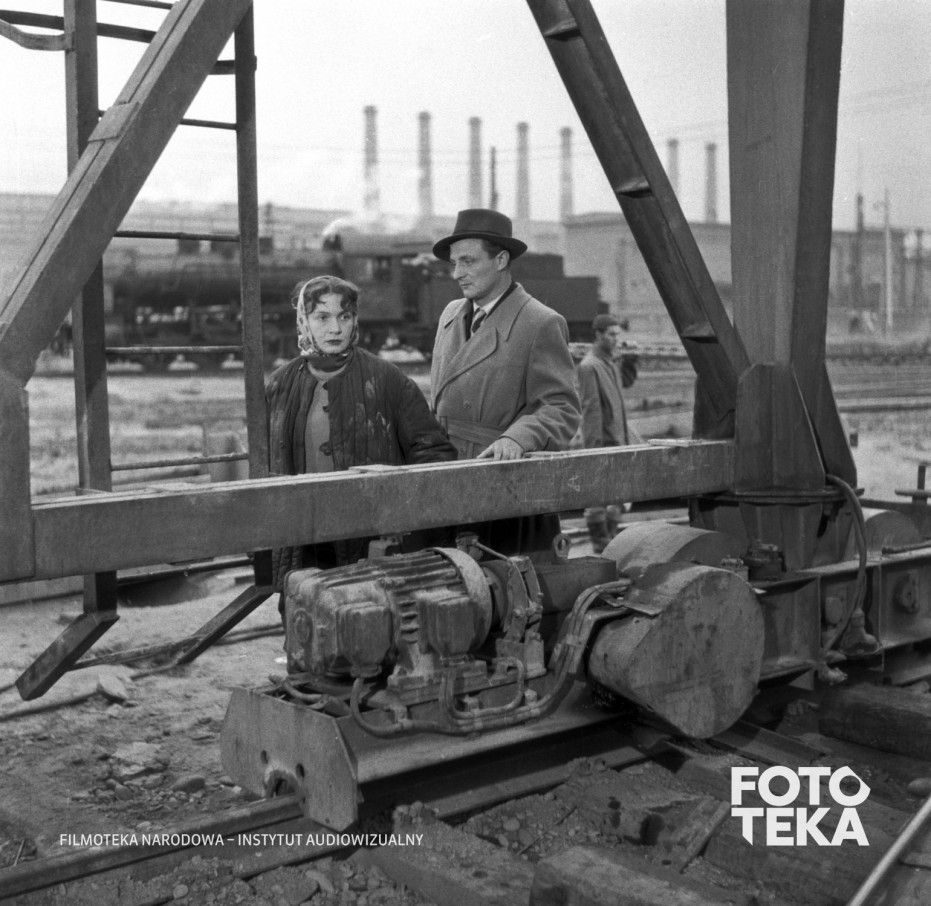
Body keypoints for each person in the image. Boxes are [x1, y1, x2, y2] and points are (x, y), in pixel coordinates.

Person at [266, 275, 456, 597]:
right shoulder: (279, 385)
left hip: (372, 548)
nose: (335, 329)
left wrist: (411, 528)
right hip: (302, 549)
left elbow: (433, 454)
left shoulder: (387, 380)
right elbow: (264, 467)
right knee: (306, 618)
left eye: (344, 316)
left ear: (355, 319)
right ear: (303, 321)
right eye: (322, 317)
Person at [430, 209, 580, 554]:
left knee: (504, 580)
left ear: (500, 260)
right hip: (446, 479)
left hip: (504, 487)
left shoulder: (540, 322)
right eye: (454, 263)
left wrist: (517, 437)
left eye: (468, 261)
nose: (457, 273)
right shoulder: (450, 314)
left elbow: (562, 408)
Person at [577, 313, 640, 553]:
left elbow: (625, 383)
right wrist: (593, 450)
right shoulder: (589, 366)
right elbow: (591, 410)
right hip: (603, 442)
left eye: (617, 335)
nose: (616, 339)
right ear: (598, 335)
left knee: (619, 494)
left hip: (618, 439)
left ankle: (609, 539)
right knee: (598, 496)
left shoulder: (610, 362)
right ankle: (600, 542)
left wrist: (631, 361)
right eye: (611, 335)